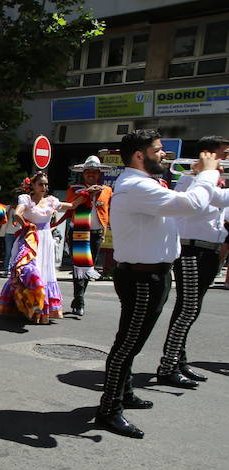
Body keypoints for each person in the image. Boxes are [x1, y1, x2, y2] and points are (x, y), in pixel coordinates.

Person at [95, 130, 220, 439]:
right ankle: (108, 409)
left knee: (133, 341)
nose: (164, 155)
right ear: (140, 155)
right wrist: (208, 174)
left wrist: (206, 178)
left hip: (155, 274)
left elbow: (203, 201)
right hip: (140, 276)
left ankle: (123, 393)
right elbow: (191, 204)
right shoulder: (135, 185)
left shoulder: (147, 184)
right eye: (158, 150)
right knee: (127, 345)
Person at [155, 135, 229, 388]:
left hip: (209, 250)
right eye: (224, 153)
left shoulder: (216, 182)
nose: (227, 158)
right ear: (208, 154)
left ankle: (178, 359)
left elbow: (221, 205)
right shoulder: (190, 179)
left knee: (191, 309)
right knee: (187, 309)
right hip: (191, 250)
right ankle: (167, 365)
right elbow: (202, 204)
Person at [0, 172, 79, 322]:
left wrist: (88, 194)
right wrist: (27, 226)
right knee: (28, 270)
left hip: (45, 240)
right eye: (41, 184)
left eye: (46, 184)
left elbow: (72, 205)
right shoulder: (26, 199)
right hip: (30, 240)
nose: (44, 187)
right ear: (32, 186)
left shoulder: (51, 201)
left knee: (44, 273)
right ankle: (29, 303)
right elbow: (17, 213)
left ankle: (38, 308)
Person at [63, 156, 114, 316]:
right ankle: (79, 300)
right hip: (78, 232)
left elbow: (108, 211)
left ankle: (79, 298)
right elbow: (70, 206)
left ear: (99, 174)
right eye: (88, 172)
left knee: (88, 268)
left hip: (97, 233)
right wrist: (86, 193)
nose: (91, 175)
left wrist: (105, 232)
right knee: (79, 267)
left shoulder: (107, 191)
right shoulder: (74, 189)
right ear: (83, 174)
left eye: (94, 172)